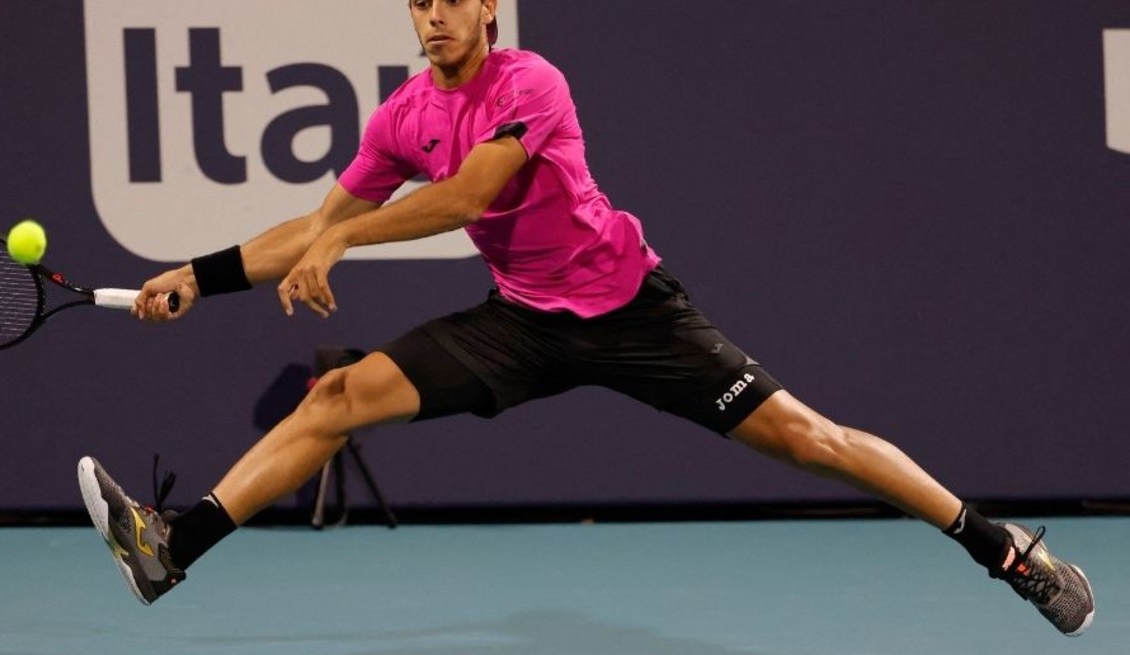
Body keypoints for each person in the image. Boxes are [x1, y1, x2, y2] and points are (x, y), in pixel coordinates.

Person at [77, 0, 1094, 636]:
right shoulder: (403, 114)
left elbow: (465, 200)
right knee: (333, 396)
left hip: (634, 313)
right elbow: (322, 217)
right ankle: (174, 547)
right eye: (418, 1)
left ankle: (993, 541)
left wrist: (343, 240)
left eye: (449, 1)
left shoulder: (532, 84)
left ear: (487, 11)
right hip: (520, 322)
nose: (431, 16)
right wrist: (201, 276)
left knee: (809, 439)